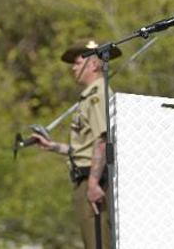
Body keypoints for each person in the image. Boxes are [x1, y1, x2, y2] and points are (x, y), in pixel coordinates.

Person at [33, 39, 121, 249]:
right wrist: (53, 146)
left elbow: (102, 140)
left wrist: (92, 183)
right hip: (86, 177)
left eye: (77, 62)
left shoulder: (97, 95)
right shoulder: (89, 96)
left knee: (98, 243)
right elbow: (86, 147)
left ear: (93, 64)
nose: (73, 67)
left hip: (94, 180)